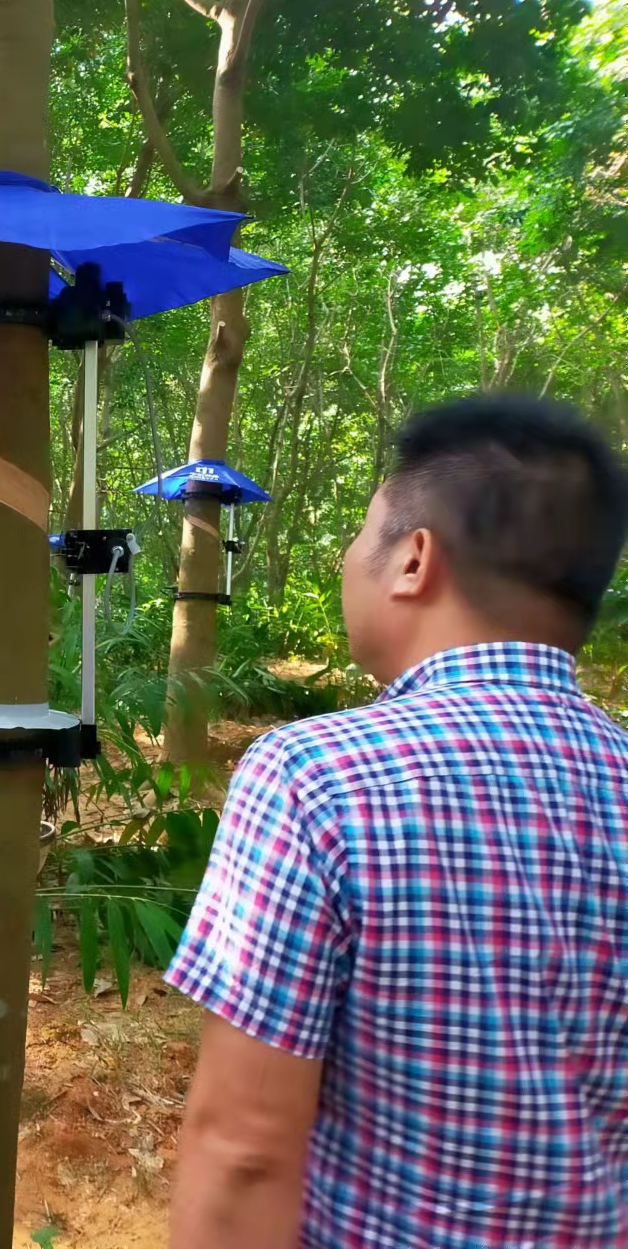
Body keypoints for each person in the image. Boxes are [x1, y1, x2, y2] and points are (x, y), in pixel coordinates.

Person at [166, 392, 628, 1248]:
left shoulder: (316, 779)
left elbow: (245, 1149)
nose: (349, 558)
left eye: (361, 533)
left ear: (415, 559)